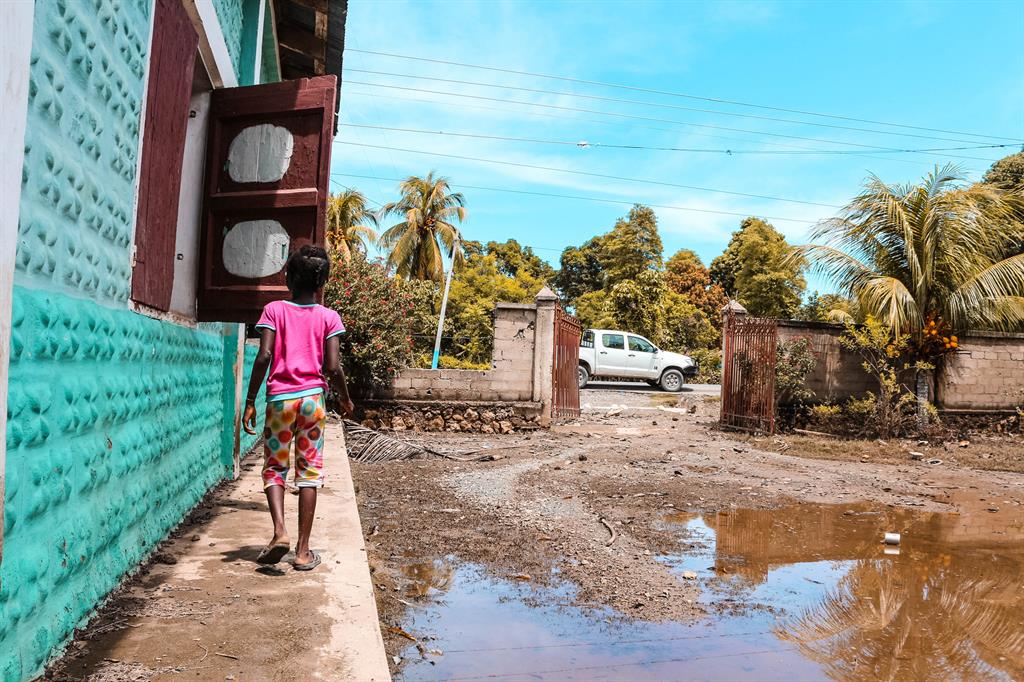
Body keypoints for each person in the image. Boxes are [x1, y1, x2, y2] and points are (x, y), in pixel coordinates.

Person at [242, 244, 355, 571]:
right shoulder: (329, 317)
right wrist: (345, 398)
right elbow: (333, 367)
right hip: (312, 403)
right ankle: (303, 552)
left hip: (280, 400)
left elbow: (264, 356)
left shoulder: (274, 310)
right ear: (323, 283)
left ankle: (279, 531)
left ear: (288, 277)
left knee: (275, 468)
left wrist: (250, 400)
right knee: (309, 473)